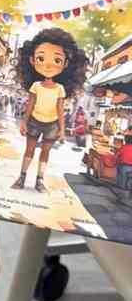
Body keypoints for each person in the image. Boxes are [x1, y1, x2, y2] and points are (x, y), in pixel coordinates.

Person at [11, 28, 88, 193]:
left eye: (57, 60)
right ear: (32, 60)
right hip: (34, 121)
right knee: (29, 150)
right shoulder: (36, 85)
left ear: (66, 64)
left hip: (52, 124)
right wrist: (24, 122)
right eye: (41, 58)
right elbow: (30, 105)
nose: (48, 65)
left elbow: (60, 109)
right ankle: (22, 177)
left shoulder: (60, 88)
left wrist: (62, 129)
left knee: (45, 152)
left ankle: (39, 180)